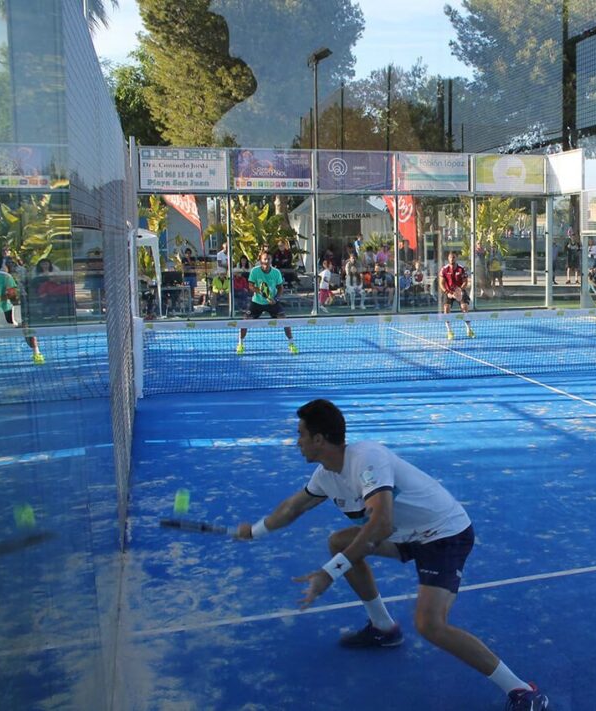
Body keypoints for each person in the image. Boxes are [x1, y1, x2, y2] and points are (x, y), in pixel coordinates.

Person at [235, 399, 550, 711]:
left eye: (301, 434)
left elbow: (381, 524)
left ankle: (524, 691)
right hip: (406, 534)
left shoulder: (366, 459)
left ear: (319, 439)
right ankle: (383, 628)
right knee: (339, 541)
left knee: (430, 625)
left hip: (443, 534)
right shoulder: (326, 475)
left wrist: (330, 572)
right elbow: (293, 507)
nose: (297, 442)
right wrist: (255, 531)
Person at [0, 255, 43, 363]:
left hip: (7, 312)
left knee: (26, 327)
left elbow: (14, 296)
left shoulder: (4, 277)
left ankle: (36, 353)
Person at [237, 251, 297, 355]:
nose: (266, 261)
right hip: (257, 302)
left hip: (272, 303)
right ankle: (240, 344)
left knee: (285, 321)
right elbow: (250, 286)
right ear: (261, 260)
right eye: (264, 259)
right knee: (245, 322)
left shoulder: (276, 272)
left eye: (268, 259)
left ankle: (291, 344)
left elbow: (280, 288)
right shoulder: (255, 271)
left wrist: (275, 299)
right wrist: (261, 292)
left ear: (271, 260)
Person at [440, 251, 475, 340]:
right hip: (448, 292)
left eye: (454, 257)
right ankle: (449, 331)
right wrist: (447, 293)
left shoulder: (461, 269)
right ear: (448, 258)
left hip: (460, 291)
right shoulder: (444, 269)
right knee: (446, 309)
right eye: (450, 257)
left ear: (456, 258)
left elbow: (465, 281)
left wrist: (459, 290)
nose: (452, 259)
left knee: (465, 308)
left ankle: (469, 330)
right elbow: (441, 283)